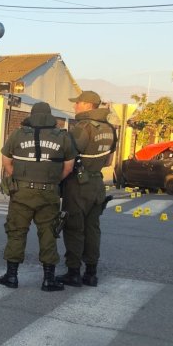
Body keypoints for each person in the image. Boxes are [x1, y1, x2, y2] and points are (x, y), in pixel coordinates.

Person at [0, 102, 76, 291]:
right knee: (48, 234)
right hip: (49, 193)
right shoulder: (62, 136)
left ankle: (11, 277)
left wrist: (19, 178)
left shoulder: (17, 134)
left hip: (21, 193)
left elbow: (6, 161)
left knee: (16, 232)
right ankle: (49, 279)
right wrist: (53, 181)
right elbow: (69, 167)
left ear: (31, 115)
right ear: (50, 116)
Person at [57, 90, 117, 287]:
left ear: (88, 105)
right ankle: (91, 273)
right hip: (97, 183)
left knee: (74, 227)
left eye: (78, 103)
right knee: (92, 228)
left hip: (78, 184)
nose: (74, 106)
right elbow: (108, 161)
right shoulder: (110, 128)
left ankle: (73, 272)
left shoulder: (82, 127)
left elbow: (67, 158)